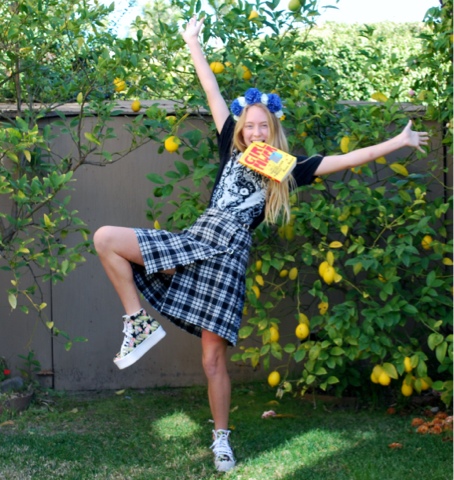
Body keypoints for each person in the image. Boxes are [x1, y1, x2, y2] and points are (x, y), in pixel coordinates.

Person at [93, 16, 429, 473]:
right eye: (249, 126)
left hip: (227, 260)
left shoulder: (283, 169)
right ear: (240, 129)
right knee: (106, 239)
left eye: (262, 128)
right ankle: (138, 322)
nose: (254, 132)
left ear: (272, 132)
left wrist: (398, 140)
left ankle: (221, 441)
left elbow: (347, 159)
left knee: (212, 361)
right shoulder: (230, 149)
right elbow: (211, 89)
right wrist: (192, 41)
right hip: (198, 240)